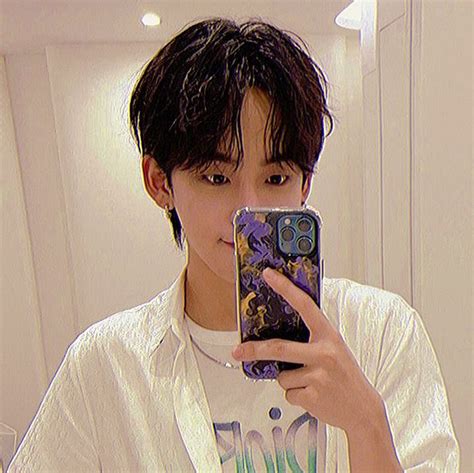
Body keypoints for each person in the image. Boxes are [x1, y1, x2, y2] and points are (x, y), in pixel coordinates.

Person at [8, 17, 459, 473]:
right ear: (159, 182)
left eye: (275, 177)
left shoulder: (381, 332)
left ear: (305, 183)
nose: (248, 209)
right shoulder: (105, 368)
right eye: (216, 177)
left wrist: (366, 426)